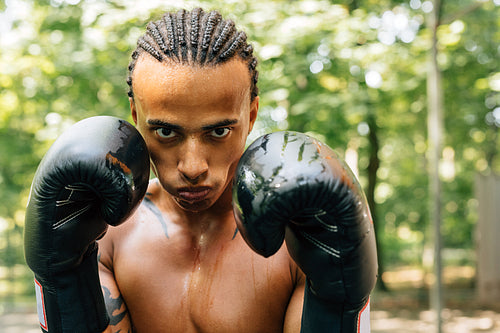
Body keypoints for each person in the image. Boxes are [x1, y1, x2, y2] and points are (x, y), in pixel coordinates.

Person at [24, 8, 377, 333]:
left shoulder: (303, 237)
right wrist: (64, 279)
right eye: (166, 132)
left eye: (218, 131)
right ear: (136, 118)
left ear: (251, 116)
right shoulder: (106, 235)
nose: (193, 167)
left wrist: (337, 304)